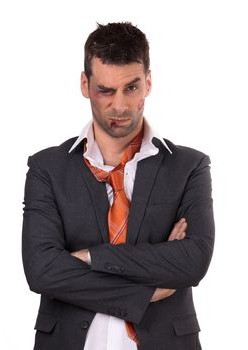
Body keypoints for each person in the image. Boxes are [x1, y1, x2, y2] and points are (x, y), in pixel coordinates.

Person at [22, 22, 215, 350]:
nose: (121, 106)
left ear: (149, 82)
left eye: (132, 88)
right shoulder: (47, 168)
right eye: (105, 90)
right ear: (85, 84)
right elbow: (42, 271)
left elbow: (192, 261)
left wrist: (87, 258)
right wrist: (146, 289)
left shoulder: (188, 167)